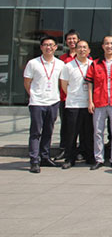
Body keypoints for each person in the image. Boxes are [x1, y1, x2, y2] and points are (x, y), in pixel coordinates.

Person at [85, 35, 112, 170]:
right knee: (98, 132)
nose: (109, 46)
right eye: (107, 44)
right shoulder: (95, 63)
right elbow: (90, 83)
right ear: (103, 46)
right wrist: (90, 101)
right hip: (99, 102)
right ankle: (99, 159)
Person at [24, 36, 65, 173]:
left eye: (51, 45)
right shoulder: (33, 63)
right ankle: (34, 160)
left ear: (56, 47)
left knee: (48, 131)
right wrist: (33, 95)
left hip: (53, 101)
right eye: (46, 45)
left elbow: (62, 82)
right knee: (35, 132)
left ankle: (45, 157)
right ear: (41, 47)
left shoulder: (60, 64)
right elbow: (27, 82)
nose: (49, 47)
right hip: (37, 102)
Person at [59, 40, 93, 169]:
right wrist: (72, 95)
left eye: (85, 47)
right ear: (75, 50)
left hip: (88, 104)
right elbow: (64, 84)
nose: (82, 50)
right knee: (71, 133)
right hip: (73, 104)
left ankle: (89, 156)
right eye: (79, 47)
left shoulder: (93, 64)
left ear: (89, 50)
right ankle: (69, 158)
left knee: (88, 133)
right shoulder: (68, 66)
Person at [56, 29, 80, 161]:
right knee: (65, 125)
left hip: (81, 98)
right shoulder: (62, 59)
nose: (72, 41)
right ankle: (64, 149)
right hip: (65, 97)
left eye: (74, 38)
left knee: (81, 126)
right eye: (69, 39)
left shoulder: (86, 57)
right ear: (66, 41)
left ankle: (80, 150)